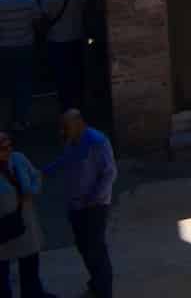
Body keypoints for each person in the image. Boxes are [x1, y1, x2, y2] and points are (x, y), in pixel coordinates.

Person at [43, 111, 111, 298]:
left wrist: (95, 198)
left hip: (94, 206)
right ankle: (96, 282)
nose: (63, 131)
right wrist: (44, 172)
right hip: (76, 205)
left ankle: (104, 290)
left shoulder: (97, 141)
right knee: (83, 246)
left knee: (96, 248)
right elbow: (65, 161)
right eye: (62, 127)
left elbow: (109, 173)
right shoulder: (71, 140)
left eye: (66, 126)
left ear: (79, 122)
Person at [0, 130, 46, 298]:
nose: (7, 150)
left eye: (8, 145)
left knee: (30, 264)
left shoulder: (18, 158)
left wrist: (32, 191)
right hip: (3, 228)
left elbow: (36, 176)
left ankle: (33, 293)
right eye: (2, 148)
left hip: (25, 223)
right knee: (2, 271)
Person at [35, 0, 83, 113]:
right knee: (77, 71)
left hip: (56, 39)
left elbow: (45, 17)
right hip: (77, 35)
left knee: (61, 74)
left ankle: (66, 105)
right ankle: (79, 102)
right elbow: (85, 7)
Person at [0, 0, 35, 133]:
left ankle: (8, 118)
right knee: (24, 83)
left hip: (5, 48)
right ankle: (22, 119)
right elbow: (37, 21)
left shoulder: (0, 3)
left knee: (7, 84)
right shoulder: (30, 2)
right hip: (25, 46)